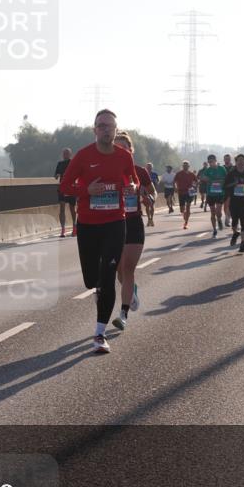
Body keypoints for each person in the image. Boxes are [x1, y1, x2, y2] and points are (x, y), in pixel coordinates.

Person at [60, 109, 136, 354]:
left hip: (115, 222)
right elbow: (64, 187)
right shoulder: (83, 156)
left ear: (116, 129)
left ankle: (100, 333)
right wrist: (87, 191)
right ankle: (99, 290)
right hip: (88, 225)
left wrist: (131, 187)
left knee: (107, 276)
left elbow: (132, 180)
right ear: (95, 130)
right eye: (101, 126)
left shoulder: (124, 157)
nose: (106, 129)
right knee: (92, 280)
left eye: (110, 126)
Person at [112, 133, 154, 331]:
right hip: (113, 223)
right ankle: (132, 291)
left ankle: (123, 314)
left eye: (124, 148)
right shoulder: (107, 171)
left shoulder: (139, 171)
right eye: (116, 148)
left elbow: (151, 192)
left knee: (128, 269)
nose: (120, 151)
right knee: (119, 271)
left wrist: (148, 199)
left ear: (131, 150)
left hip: (134, 223)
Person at [225, 154, 244, 252]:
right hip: (234, 200)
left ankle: (243, 243)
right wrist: (234, 184)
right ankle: (235, 233)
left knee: (243, 222)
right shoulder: (231, 173)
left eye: (242, 160)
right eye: (238, 160)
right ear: (236, 162)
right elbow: (225, 186)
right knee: (234, 221)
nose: (240, 162)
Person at [199, 153, 227, 237]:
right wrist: (205, 178)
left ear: (215, 161)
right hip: (210, 194)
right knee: (212, 212)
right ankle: (214, 229)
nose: (211, 163)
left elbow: (227, 178)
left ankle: (219, 219)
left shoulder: (222, 169)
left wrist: (221, 181)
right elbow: (202, 177)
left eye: (212, 161)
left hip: (220, 193)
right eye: (209, 162)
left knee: (218, 212)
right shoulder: (208, 170)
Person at [55, 148, 77, 237]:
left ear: (70, 154)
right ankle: (63, 229)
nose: (65, 155)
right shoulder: (59, 164)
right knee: (62, 208)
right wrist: (57, 175)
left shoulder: (73, 162)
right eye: (64, 153)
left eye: (67, 153)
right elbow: (56, 176)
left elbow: (77, 173)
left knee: (72, 208)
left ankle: (74, 227)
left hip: (71, 187)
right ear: (62, 154)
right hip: (62, 188)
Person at [173, 161, 198, 229]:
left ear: (189, 166)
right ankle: (185, 215)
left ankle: (186, 222)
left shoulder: (191, 174)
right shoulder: (179, 173)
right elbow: (174, 181)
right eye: (184, 165)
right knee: (182, 210)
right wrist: (175, 187)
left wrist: (194, 187)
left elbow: (196, 181)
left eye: (186, 165)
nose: (185, 167)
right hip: (181, 192)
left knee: (188, 207)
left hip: (189, 192)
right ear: (182, 166)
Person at [222, 154, 234, 227]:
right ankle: (227, 217)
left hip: (233, 188)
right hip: (224, 188)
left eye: (228, 159)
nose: (227, 160)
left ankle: (228, 218)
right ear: (224, 160)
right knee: (225, 205)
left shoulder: (234, 168)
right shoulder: (222, 168)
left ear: (230, 159)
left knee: (230, 204)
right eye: (226, 159)